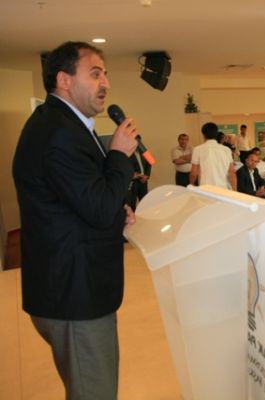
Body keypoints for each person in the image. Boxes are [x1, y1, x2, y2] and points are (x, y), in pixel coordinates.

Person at [12, 41, 138, 398]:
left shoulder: (63, 124)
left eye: (105, 75)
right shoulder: (59, 133)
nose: (106, 84)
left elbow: (78, 199)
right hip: (75, 296)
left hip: (71, 288)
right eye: (95, 74)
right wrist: (119, 156)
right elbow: (96, 206)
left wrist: (116, 211)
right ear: (64, 80)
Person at [190, 122, 237, 190]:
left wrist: (191, 186)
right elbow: (231, 172)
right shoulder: (226, 150)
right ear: (216, 134)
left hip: (205, 189)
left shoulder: (198, 149)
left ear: (203, 135)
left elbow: (193, 174)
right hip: (223, 189)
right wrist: (235, 190)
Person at [127, 135, 152, 211]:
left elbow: (150, 162)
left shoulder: (145, 151)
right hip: (133, 182)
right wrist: (137, 175)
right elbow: (126, 167)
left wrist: (147, 175)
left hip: (143, 181)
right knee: (132, 203)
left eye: (139, 141)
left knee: (144, 202)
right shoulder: (127, 152)